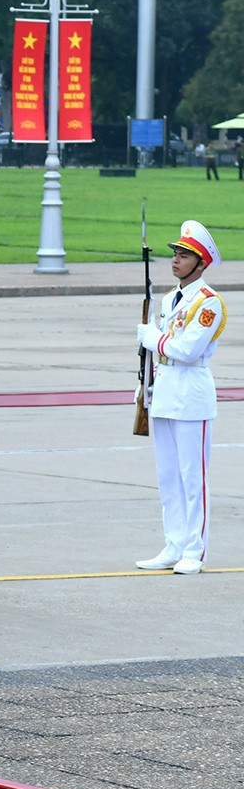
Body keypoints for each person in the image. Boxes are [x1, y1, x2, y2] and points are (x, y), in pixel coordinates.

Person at [137, 220, 225, 575]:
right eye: (175, 252)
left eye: (185, 255)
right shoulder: (170, 298)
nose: (175, 259)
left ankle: (194, 549)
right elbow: (162, 352)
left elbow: (187, 349)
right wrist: (146, 383)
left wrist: (151, 338)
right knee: (168, 475)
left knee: (193, 476)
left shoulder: (209, 303)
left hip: (191, 392)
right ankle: (173, 544)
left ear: (201, 264)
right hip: (166, 389)